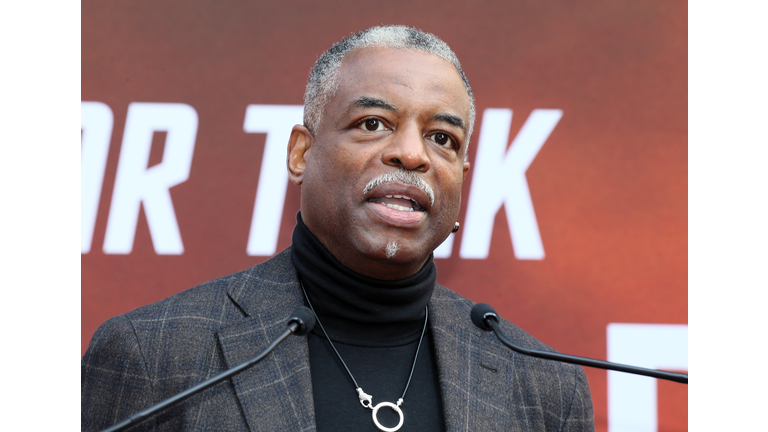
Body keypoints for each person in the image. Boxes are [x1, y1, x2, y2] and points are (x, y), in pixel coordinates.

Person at [81, 25, 595, 432]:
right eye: (373, 123)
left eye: (442, 137)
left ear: (462, 177)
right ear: (301, 153)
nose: (412, 154)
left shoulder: (545, 388)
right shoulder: (154, 356)